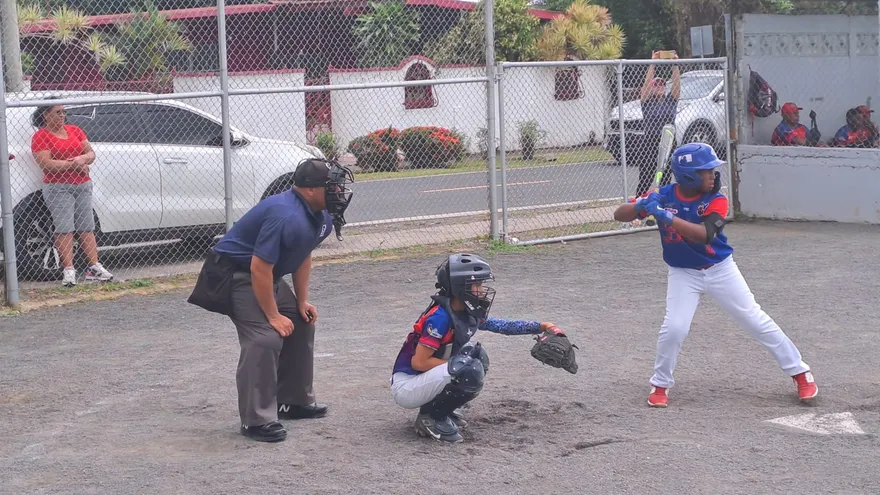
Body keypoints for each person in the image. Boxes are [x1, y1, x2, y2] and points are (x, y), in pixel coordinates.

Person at [612, 142, 818, 408]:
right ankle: (660, 384)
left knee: (754, 319)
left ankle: (800, 372)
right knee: (674, 327)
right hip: (683, 273)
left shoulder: (717, 199)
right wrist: (644, 204)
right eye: (706, 171)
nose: (712, 175)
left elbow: (704, 235)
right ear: (688, 176)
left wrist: (664, 216)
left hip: (720, 269)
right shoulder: (663, 195)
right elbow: (619, 214)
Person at [199, 157, 354, 442]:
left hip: (263, 276)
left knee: (302, 322)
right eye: (331, 187)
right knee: (264, 338)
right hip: (232, 275)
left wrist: (301, 302)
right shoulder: (285, 214)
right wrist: (272, 315)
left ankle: (292, 401)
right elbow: (259, 268)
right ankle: (255, 420)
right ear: (309, 190)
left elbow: (302, 254)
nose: (338, 193)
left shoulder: (322, 214)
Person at [390, 253, 565, 443]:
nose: (482, 290)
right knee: (469, 367)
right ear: (460, 288)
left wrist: (542, 326)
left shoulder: (463, 311)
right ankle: (431, 418)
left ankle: (438, 410)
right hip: (407, 386)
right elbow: (420, 362)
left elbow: (502, 326)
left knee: (476, 356)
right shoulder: (440, 318)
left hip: (422, 381)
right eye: (477, 285)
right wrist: (458, 366)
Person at [30, 100, 114, 287]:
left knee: (86, 227)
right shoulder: (41, 137)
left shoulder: (75, 130)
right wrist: (74, 164)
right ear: (46, 115)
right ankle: (69, 269)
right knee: (65, 227)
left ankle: (94, 266)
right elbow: (47, 164)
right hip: (58, 187)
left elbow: (90, 153)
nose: (62, 116)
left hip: (82, 185)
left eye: (63, 112)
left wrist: (82, 159)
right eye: (57, 112)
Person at [634, 50, 680, 198]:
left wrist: (675, 65)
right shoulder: (647, 102)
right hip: (650, 143)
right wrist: (653, 63)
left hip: (668, 143)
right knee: (645, 179)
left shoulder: (670, 101)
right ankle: (639, 208)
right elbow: (646, 85)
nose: (660, 86)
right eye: (657, 85)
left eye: (662, 84)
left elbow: (677, 85)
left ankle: (663, 208)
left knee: (666, 179)